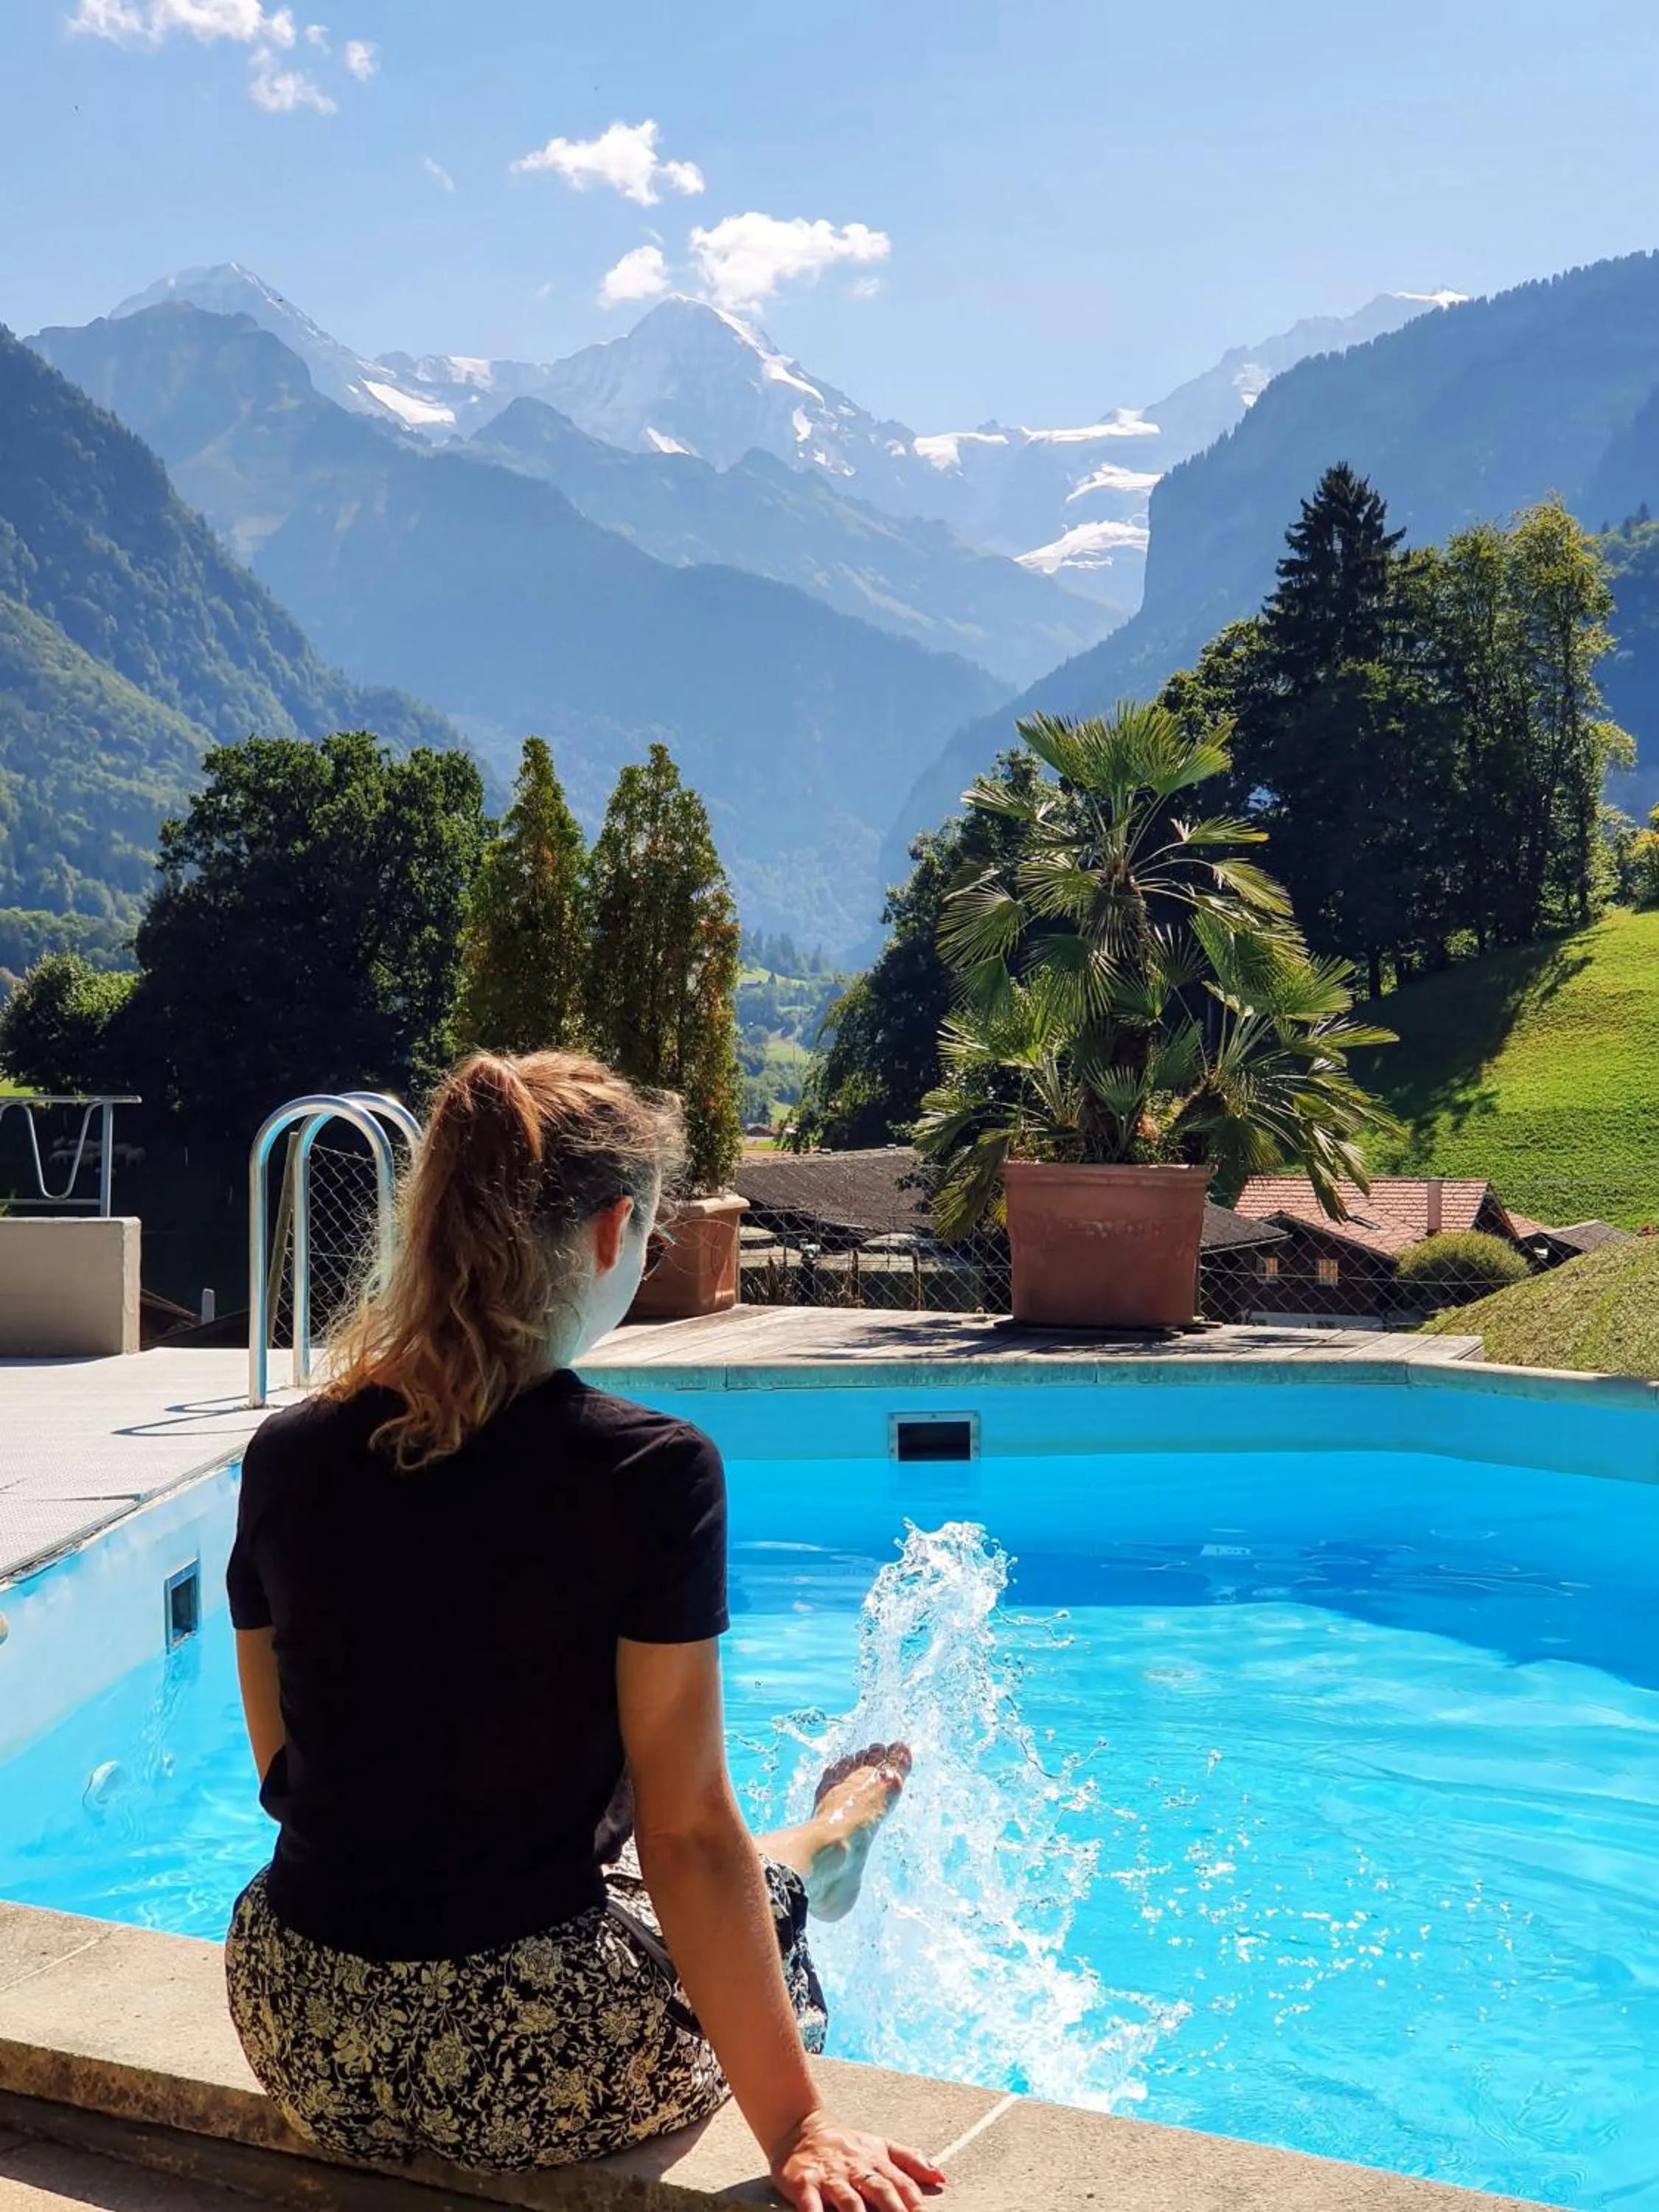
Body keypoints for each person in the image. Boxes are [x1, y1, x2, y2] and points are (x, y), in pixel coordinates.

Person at [223, 1051, 943, 2211]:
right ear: (616, 1231)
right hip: (533, 2066)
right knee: (748, 1878)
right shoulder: (650, 1472)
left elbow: (282, 1773)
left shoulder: (287, 1451)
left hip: (300, 2022)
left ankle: (820, 1837)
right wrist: (801, 2124)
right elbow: (690, 1834)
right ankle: (832, 1832)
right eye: (652, 1243)